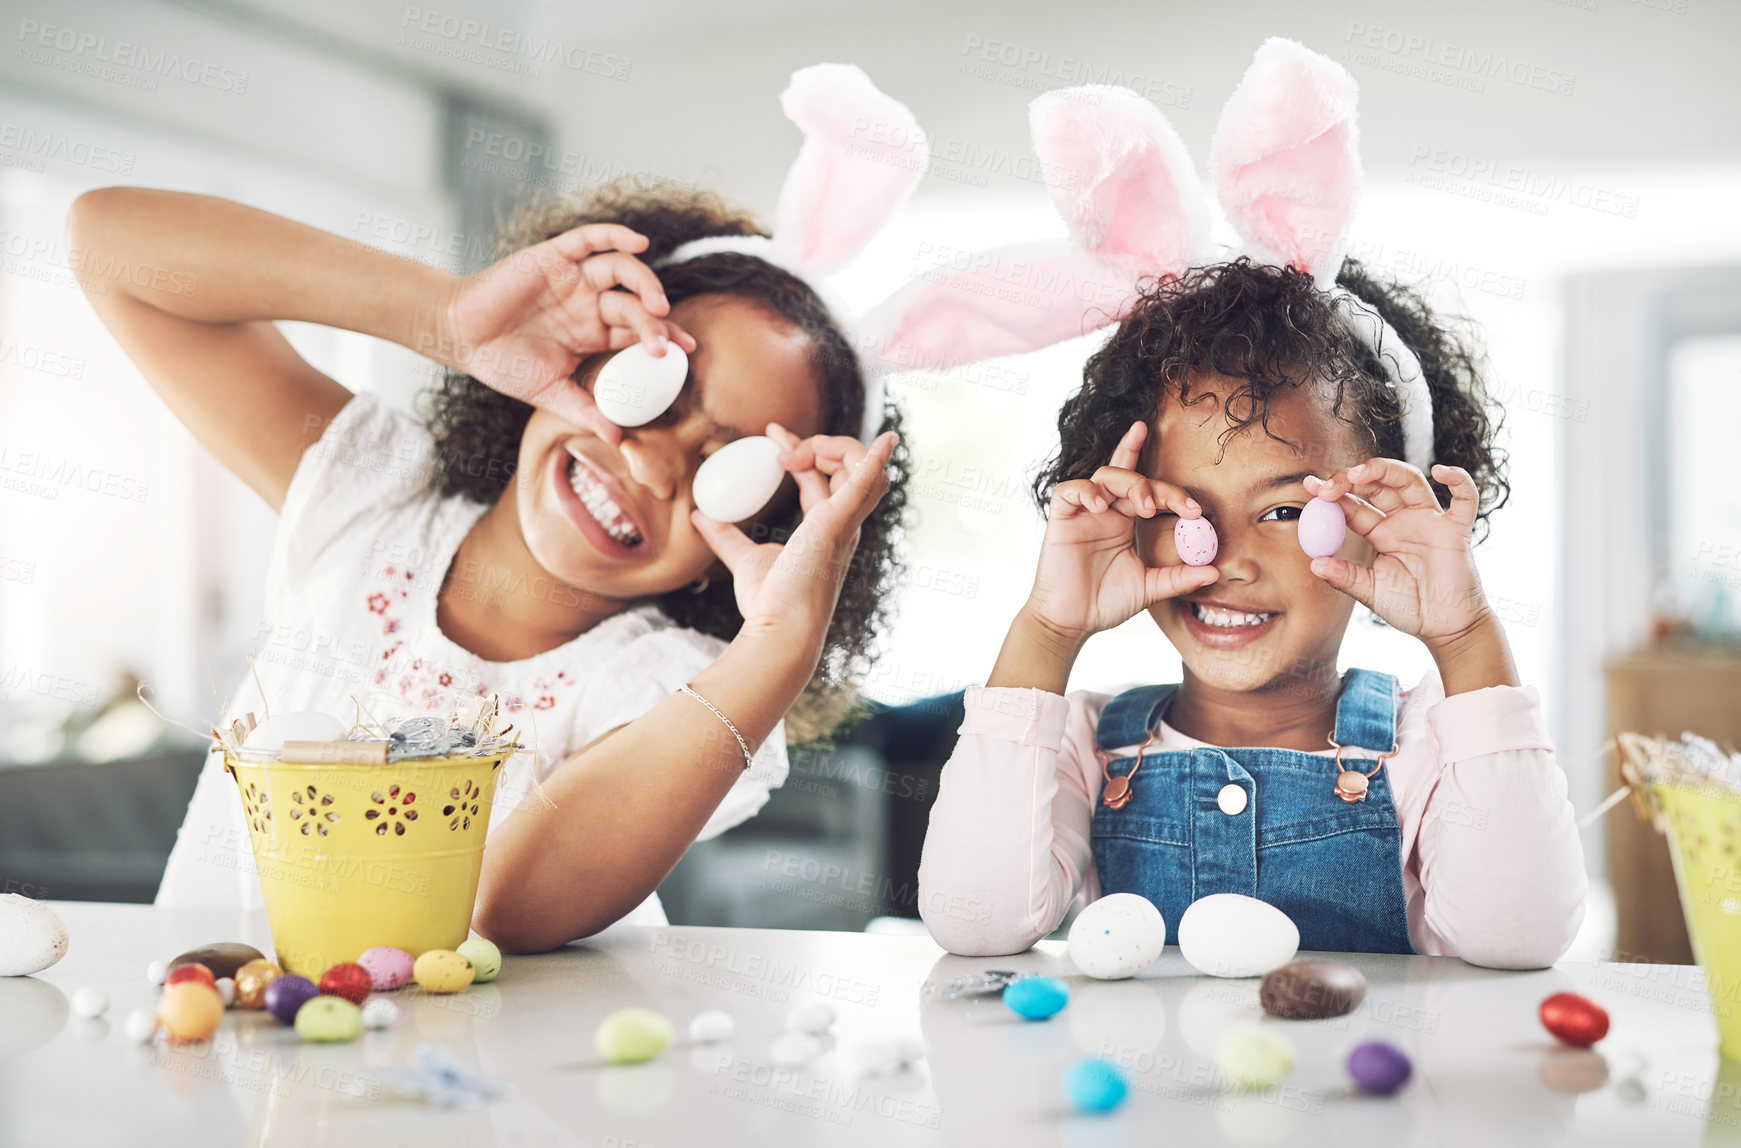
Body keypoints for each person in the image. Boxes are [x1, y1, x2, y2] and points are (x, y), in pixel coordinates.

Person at [70, 63, 928, 952]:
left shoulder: (669, 691)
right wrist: (444, 316)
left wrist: (780, 643)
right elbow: (109, 244)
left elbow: (504, 912)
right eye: (657, 389)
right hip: (219, 1061)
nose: (651, 463)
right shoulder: (372, 504)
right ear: (578, 353)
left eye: (730, 467)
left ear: (750, 543)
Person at [914, 40, 1585, 969]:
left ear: (1386, 514)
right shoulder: (1082, 745)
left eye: (1281, 511)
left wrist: (1466, 640)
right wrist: (1046, 629)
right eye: (1183, 507)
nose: (1221, 558)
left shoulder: (1431, 748)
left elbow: (1518, 939)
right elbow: (972, 920)